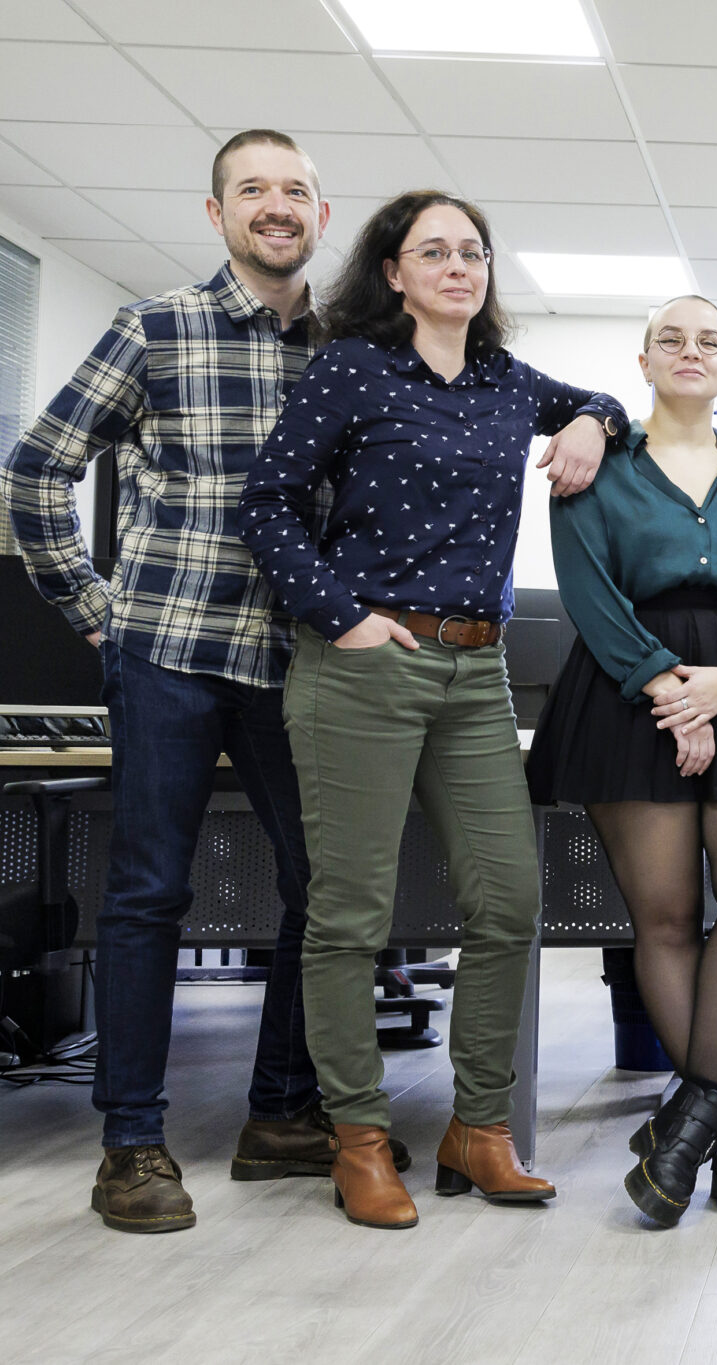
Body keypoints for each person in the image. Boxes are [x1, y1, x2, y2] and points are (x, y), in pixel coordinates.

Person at [0, 129, 404, 1234]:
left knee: (324, 892)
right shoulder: (157, 325)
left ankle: (281, 1114)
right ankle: (130, 1144)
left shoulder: (353, 347)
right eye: (253, 189)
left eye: (298, 191)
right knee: (147, 895)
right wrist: (95, 611)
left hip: (297, 662)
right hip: (170, 647)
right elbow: (37, 467)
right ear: (218, 211)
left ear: (323, 218)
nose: (277, 205)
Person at [238, 189, 623, 1230]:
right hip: (367, 664)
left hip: (477, 674)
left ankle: (478, 1129)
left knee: (508, 903)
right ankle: (358, 1139)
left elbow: (611, 404)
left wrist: (588, 419)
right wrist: (342, 616)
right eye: (435, 251)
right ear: (395, 272)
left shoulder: (506, 381)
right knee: (350, 916)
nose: (460, 266)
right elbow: (264, 502)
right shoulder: (354, 368)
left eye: (474, 252)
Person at [526, 295, 717, 1227]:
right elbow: (589, 590)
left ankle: (691, 1111)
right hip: (624, 690)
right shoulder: (594, 469)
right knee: (668, 912)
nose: (692, 351)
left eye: (711, 341)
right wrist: (665, 690)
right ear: (642, 361)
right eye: (672, 339)